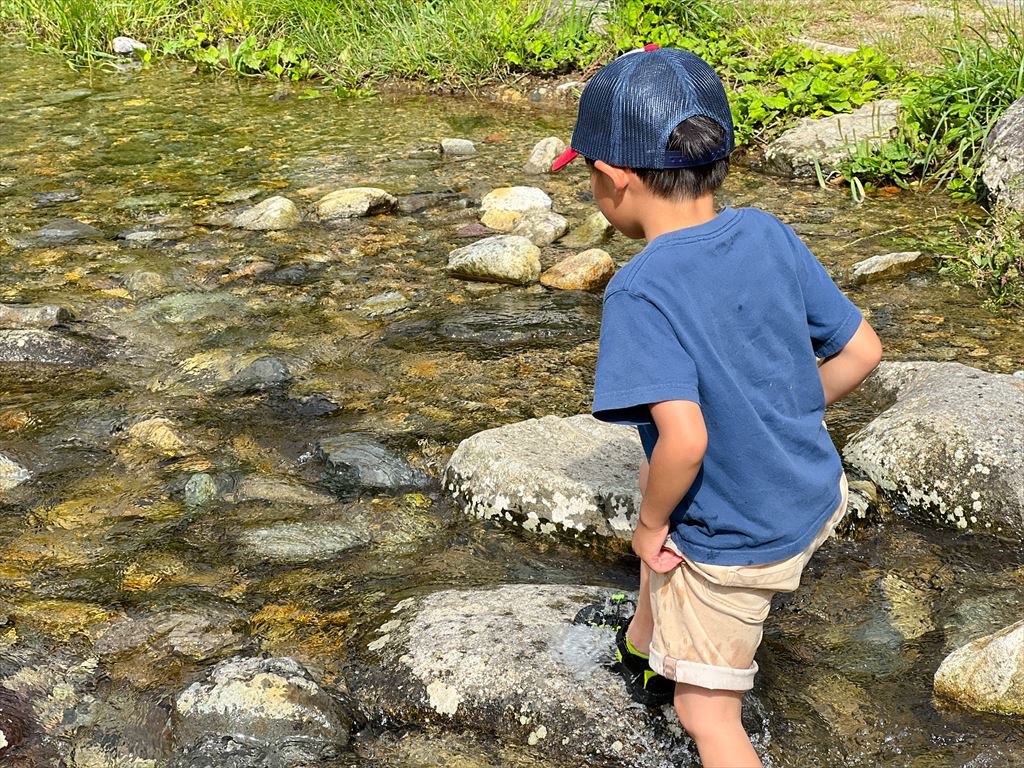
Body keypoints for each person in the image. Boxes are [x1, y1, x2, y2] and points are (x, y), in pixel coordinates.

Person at [551, 46, 883, 768]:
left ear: (614, 179)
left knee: (705, 709)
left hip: (738, 540)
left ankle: (683, 678)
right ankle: (644, 644)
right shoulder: (766, 230)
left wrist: (647, 523)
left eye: (586, 178)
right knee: (664, 542)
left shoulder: (640, 291)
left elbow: (686, 442)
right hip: (813, 496)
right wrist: (782, 409)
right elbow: (862, 352)